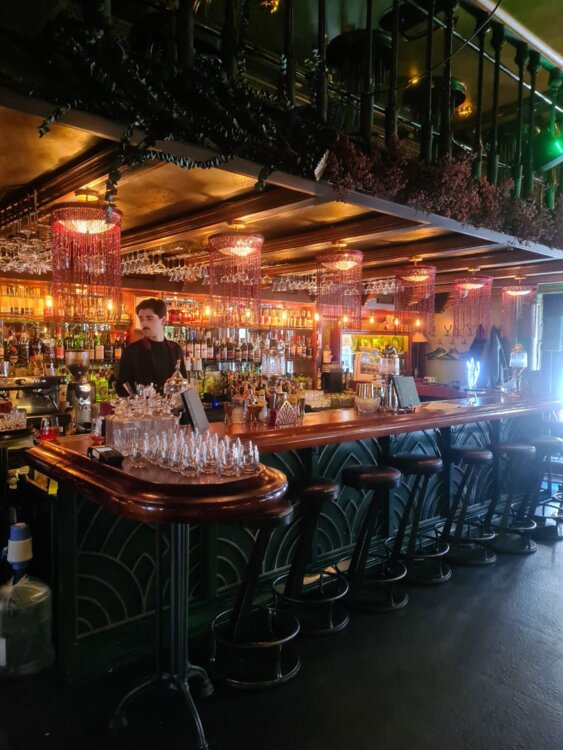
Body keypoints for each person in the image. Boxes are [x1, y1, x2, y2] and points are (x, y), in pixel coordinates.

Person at [116, 298, 186, 396]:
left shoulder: (176, 349)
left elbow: (184, 387)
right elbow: (121, 389)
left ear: (163, 320)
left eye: (149, 318)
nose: (144, 323)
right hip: (143, 406)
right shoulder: (131, 351)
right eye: (141, 319)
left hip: (172, 405)